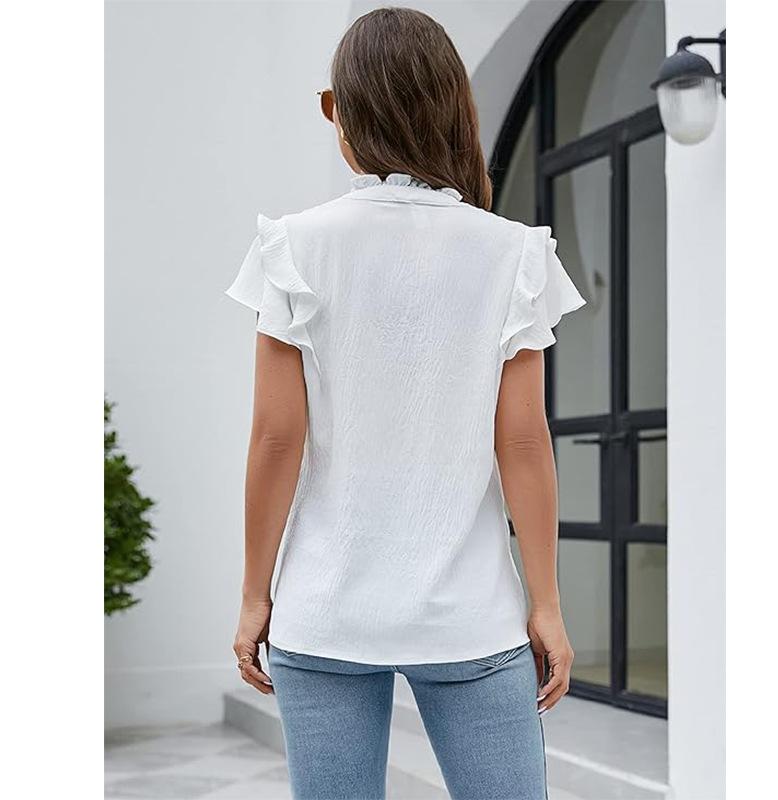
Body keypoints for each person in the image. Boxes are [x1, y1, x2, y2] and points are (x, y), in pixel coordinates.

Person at [225, 8, 585, 799]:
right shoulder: (513, 253)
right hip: (471, 615)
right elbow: (524, 443)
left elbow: (277, 440)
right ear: (455, 108)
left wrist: (255, 595)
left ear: (340, 111)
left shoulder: (292, 247)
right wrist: (548, 604)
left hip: (326, 612)